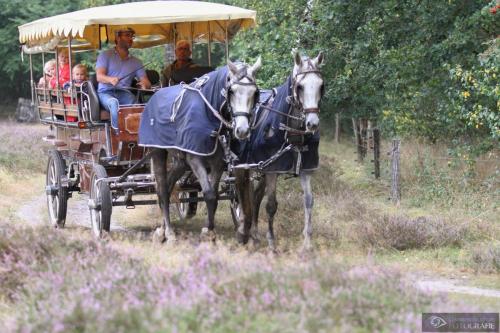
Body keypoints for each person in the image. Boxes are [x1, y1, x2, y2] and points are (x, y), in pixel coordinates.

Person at [96, 27, 151, 131]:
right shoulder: (105, 55)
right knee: (113, 103)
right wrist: (110, 79)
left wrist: (144, 84)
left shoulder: (136, 61)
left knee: (136, 105)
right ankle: (118, 135)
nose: (130, 39)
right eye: (127, 35)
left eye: (132, 36)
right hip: (105, 93)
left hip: (124, 93)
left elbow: (146, 81)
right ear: (118, 38)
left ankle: (138, 136)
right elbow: (99, 77)